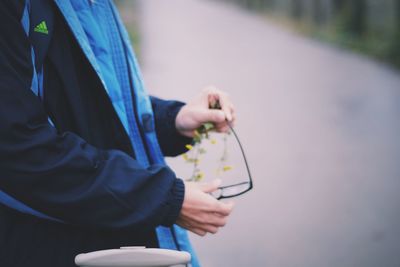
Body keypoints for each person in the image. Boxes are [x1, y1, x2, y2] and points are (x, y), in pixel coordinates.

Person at [0, 1, 235, 267]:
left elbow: (97, 106)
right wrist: (161, 197)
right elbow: (17, 149)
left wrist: (174, 120)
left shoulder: (94, 5)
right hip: (48, 247)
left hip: (107, 238)